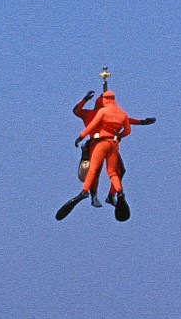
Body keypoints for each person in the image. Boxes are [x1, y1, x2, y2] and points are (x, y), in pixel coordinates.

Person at [56, 88, 153, 222]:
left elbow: (77, 111)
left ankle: (104, 195)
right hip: (103, 143)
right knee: (107, 171)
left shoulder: (101, 113)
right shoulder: (99, 113)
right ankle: (103, 194)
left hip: (101, 143)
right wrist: (140, 123)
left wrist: (80, 135)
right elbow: (127, 121)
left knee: (105, 170)